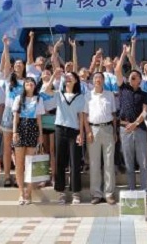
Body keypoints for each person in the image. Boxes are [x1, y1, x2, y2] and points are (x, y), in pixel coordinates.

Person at [43, 46, 86, 205]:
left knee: (75, 162)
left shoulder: (80, 97)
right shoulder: (59, 94)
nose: (67, 78)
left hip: (74, 131)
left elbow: (81, 116)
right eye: (66, 77)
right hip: (60, 129)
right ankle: (61, 192)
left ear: (76, 80)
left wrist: (81, 133)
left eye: (70, 77)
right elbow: (46, 90)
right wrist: (55, 73)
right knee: (60, 161)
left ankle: (75, 192)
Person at [115, 44, 147, 204]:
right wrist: (124, 53)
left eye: (135, 76)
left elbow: (145, 112)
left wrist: (136, 124)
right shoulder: (123, 88)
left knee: (143, 162)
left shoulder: (144, 94)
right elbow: (117, 70)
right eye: (131, 75)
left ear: (140, 80)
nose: (132, 77)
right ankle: (131, 192)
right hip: (124, 129)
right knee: (129, 163)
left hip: (140, 130)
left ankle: (146, 192)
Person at [83, 72, 117, 205]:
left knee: (109, 163)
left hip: (108, 129)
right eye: (95, 78)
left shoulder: (110, 95)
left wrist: (115, 131)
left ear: (103, 80)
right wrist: (88, 131)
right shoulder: (87, 95)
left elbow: (114, 114)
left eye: (100, 78)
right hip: (93, 130)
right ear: (92, 81)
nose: (97, 80)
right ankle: (96, 194)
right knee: (94, 163)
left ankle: (109, 193)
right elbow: (84, 115)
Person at [12, 77, 45, 204]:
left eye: (32, 83)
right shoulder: (18, 98)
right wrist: (14, 132)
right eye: (27, 83)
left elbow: (39, 119)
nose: (29, 84)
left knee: (30, 163)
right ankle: (21, 192)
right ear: (24, 86)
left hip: (32, 129)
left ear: (35, 85)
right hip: (20, 129)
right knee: (19, 164)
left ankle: (29, 192)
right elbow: (15, 117)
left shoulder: (38, 99)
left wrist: (40, 135)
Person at [0, 35, 26, 187]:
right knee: (7, 146)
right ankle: (6, 176)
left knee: (19, 148)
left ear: (23, 67)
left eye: (20, 64)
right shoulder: (8, 79)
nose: (18, 65)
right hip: (8, 113)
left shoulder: (27, 82)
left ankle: (18, 177)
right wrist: (6, 46)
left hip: (23, 114)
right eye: (16, 64)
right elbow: (6, 63)